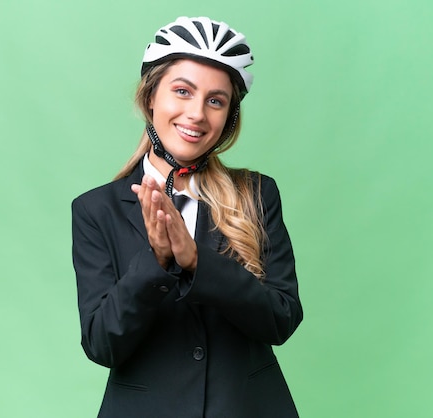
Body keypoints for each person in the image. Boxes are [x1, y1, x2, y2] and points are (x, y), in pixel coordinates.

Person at [72, 16, 303, 418]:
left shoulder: (257, 194)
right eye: (182, 91)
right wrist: (156, 262)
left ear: (228, 116)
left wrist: (197, 260)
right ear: (150, 99)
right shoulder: (95, 211)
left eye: (215, 100)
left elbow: (280, 319)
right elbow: (101, 344)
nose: (196, 114)